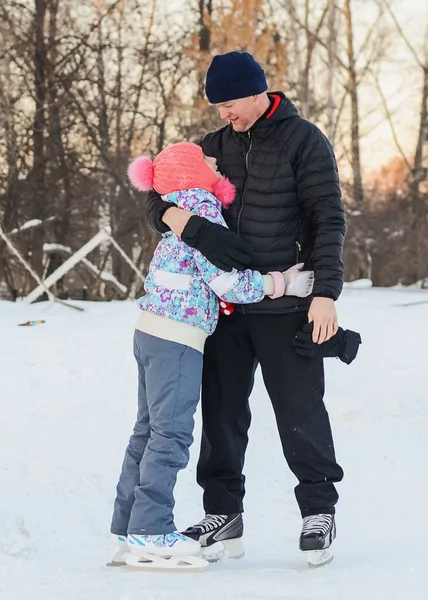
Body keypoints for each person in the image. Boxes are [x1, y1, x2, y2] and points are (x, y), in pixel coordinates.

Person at [145, 51, 348, 567]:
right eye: (216, 104)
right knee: (221, 412)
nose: (222, 113)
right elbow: (156, 194)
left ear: (257, 91)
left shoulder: (305, 141)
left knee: (299, 409)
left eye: (228, 102)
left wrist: (324, 292)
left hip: (285, 301)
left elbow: (328, 219)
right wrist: (193, 226)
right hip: (226, 307)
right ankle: (223, 514)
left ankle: (318, 509)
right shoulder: (212, 147)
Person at [109, 142, 314, 571]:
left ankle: (130, 527)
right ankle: (151, 530)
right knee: (170, 434)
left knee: (146, 431)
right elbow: (228, 284)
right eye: (205, 160)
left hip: (149, 330)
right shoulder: (200, 208)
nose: (215, 161)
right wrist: (281, 283)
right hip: (178, 338)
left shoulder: (175, 211)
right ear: (190, 172)